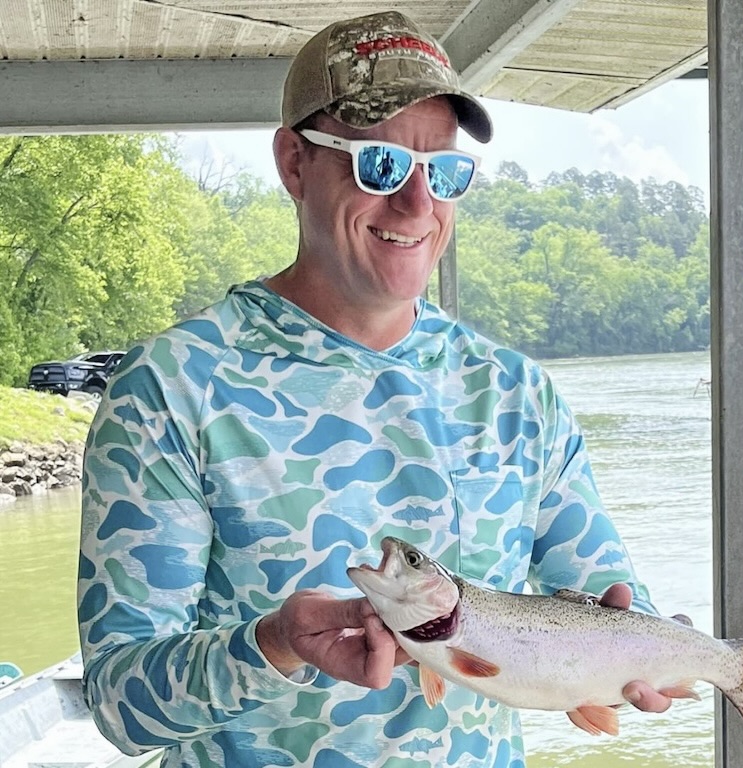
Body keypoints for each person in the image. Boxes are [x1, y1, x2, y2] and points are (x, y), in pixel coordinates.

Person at [77, 11, 681, 767]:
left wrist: (644, 645)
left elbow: (605, 592)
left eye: (445, 172)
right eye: (380, 166)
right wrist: (269, 645)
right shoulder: (171, 389)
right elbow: (118, 704)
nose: (417, 206)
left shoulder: (516, 393)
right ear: (295, 163)